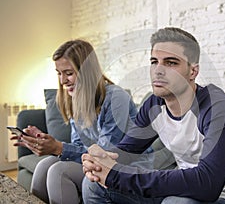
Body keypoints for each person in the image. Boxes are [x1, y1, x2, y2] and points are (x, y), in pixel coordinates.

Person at [81, 27, 225, 204]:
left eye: (171, 63)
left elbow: (207, 185)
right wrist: (98, 160)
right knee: (93, 184)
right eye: (154, 61)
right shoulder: (154, 105)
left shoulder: (216, 105)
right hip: (179, 194)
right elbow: (125, 152)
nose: (158, 70)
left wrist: (118, 176)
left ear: (193, 72)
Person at [10, 39, 137, 203]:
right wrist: (44, 141)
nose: (62, 81)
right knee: (43, 167)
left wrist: (58, 148)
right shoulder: (76, 100)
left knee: (59, 171)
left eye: (68, 73)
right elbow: (77, 145)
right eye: (59, 73)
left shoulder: (116, 98)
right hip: (93, 163)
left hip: (124, 167)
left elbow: (106, 155)